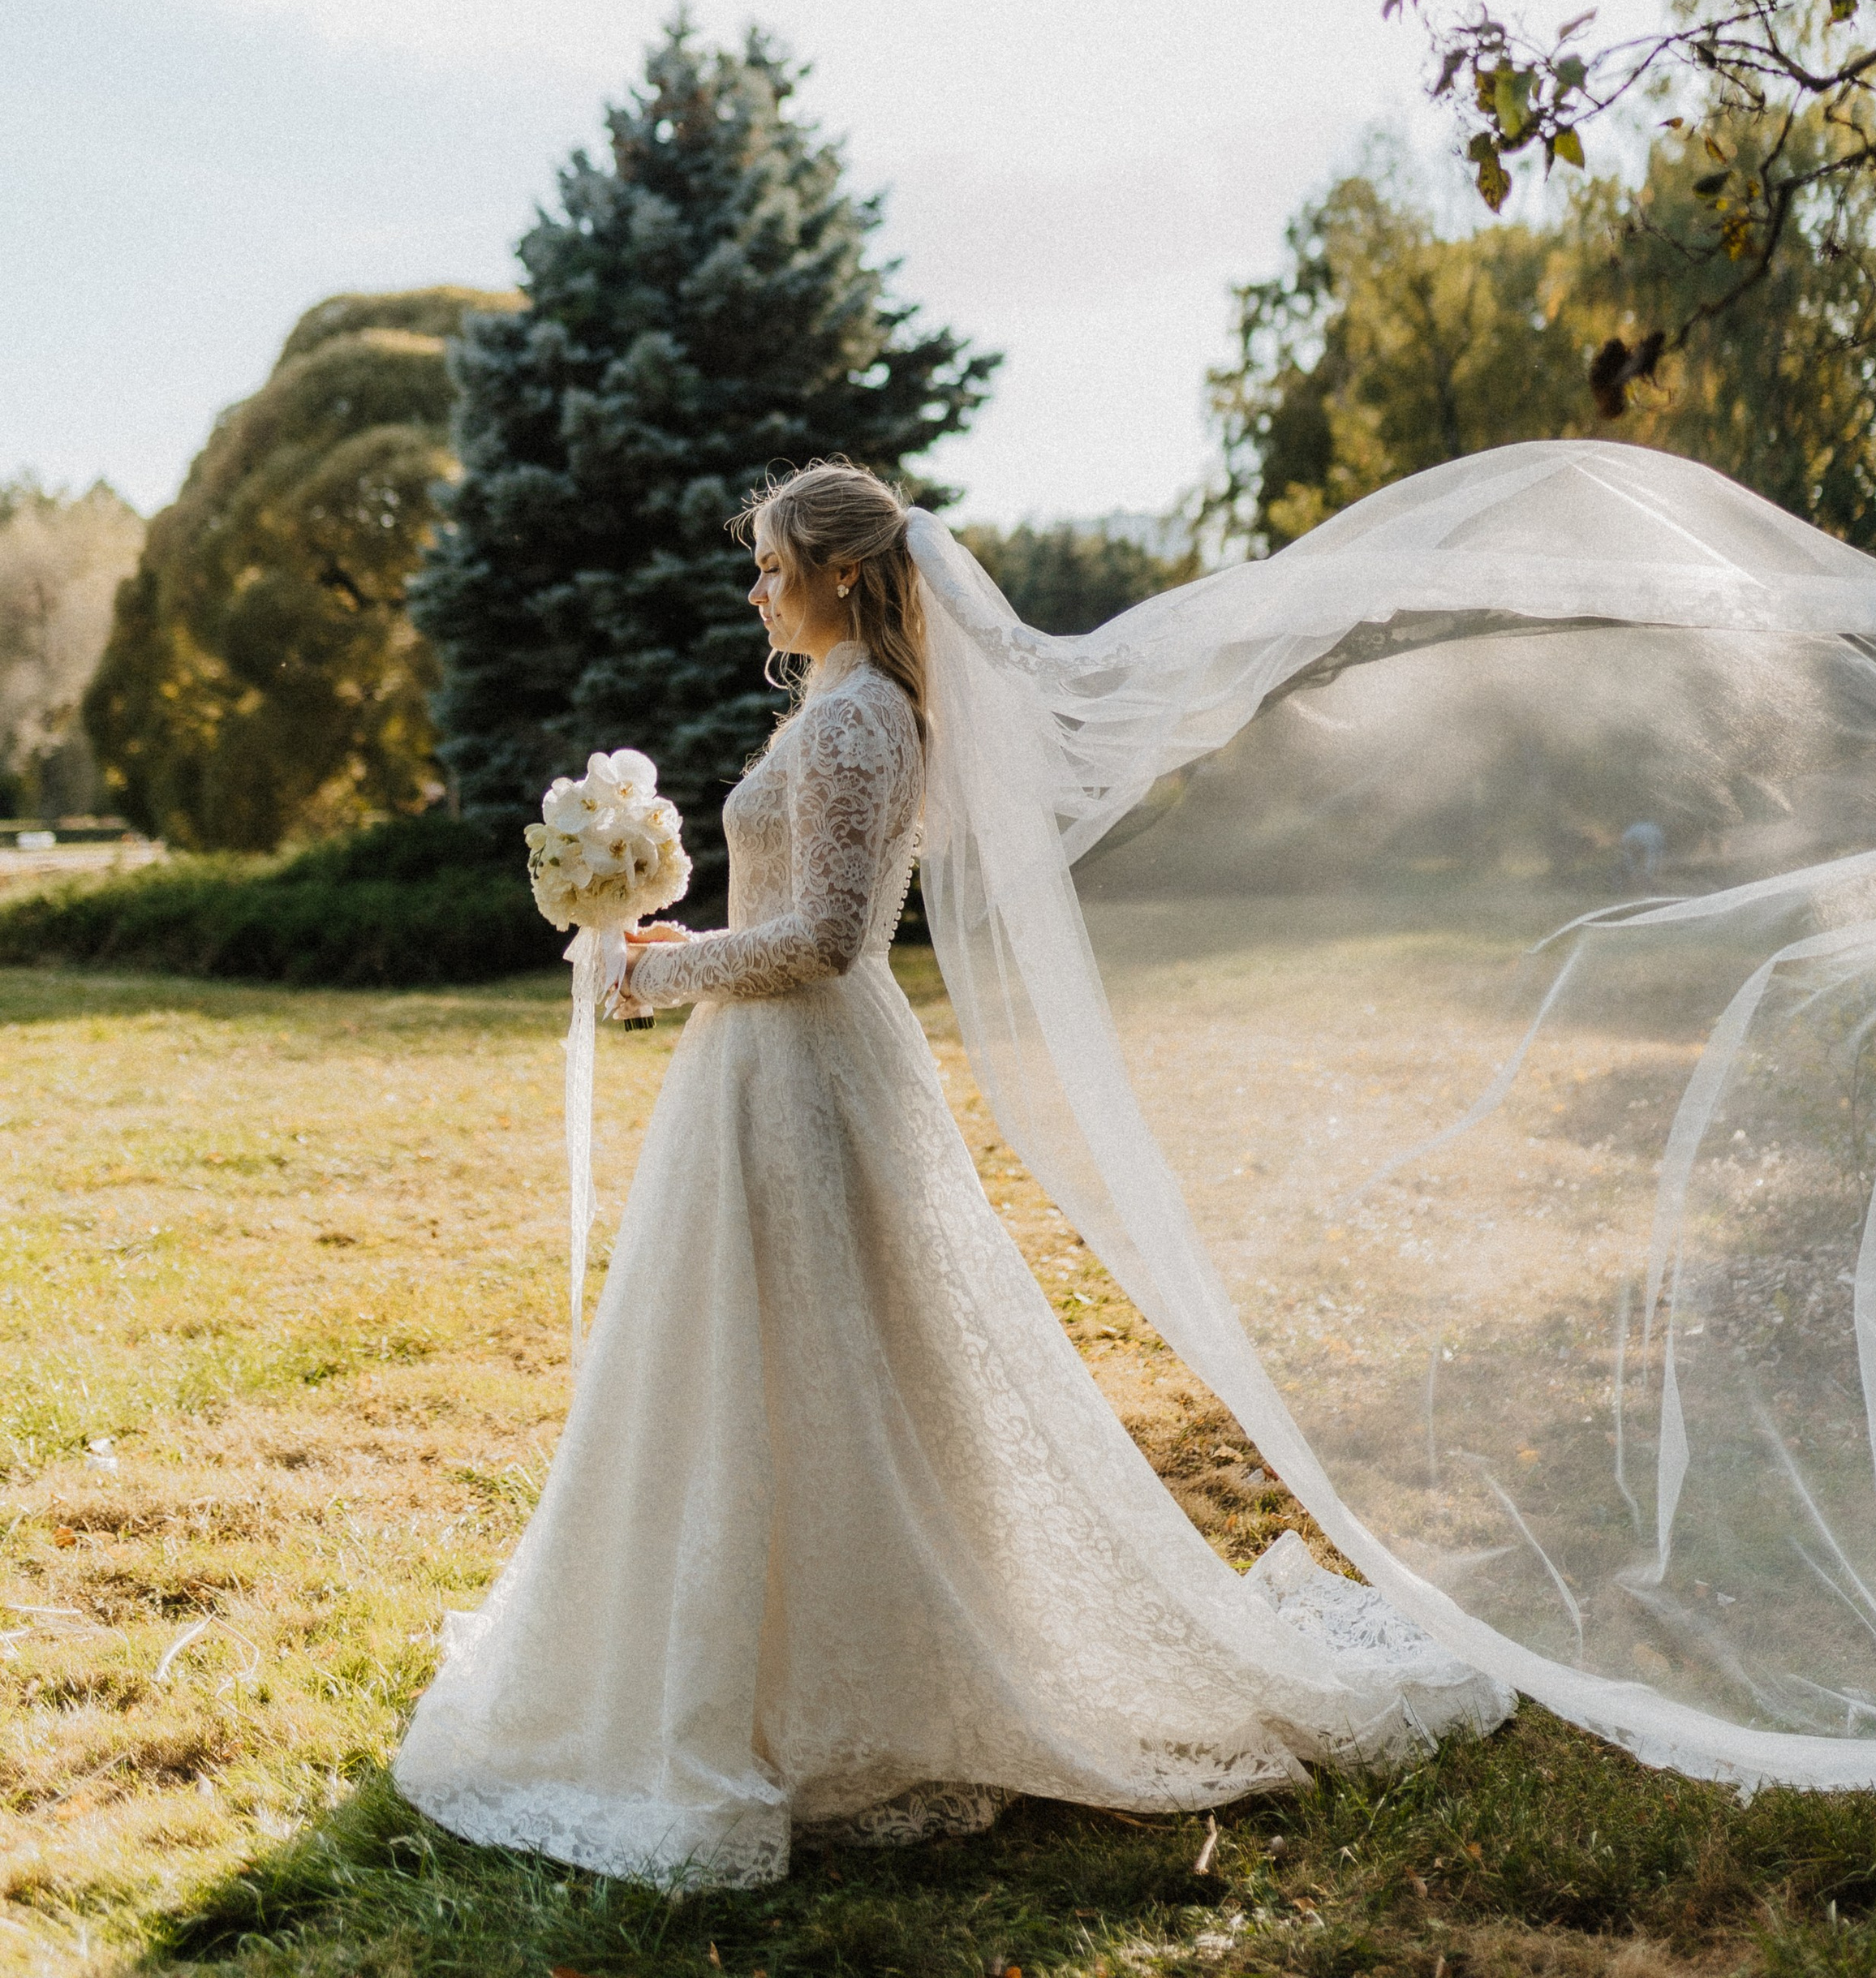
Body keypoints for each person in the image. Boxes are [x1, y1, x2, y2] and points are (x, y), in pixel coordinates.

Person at [392, 460, 1504, 1886]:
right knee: (761, 1359)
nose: (757, 588)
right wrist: (681, 959)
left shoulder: (861, 720)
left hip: (807, 1065)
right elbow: (796, 917)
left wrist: (667, 981)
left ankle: (877, 1678)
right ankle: (774, 1659)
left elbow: (836, 939)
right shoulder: (835, 710)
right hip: (763, 1067)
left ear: (844, 573)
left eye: (775, 564)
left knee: (850, 1356)